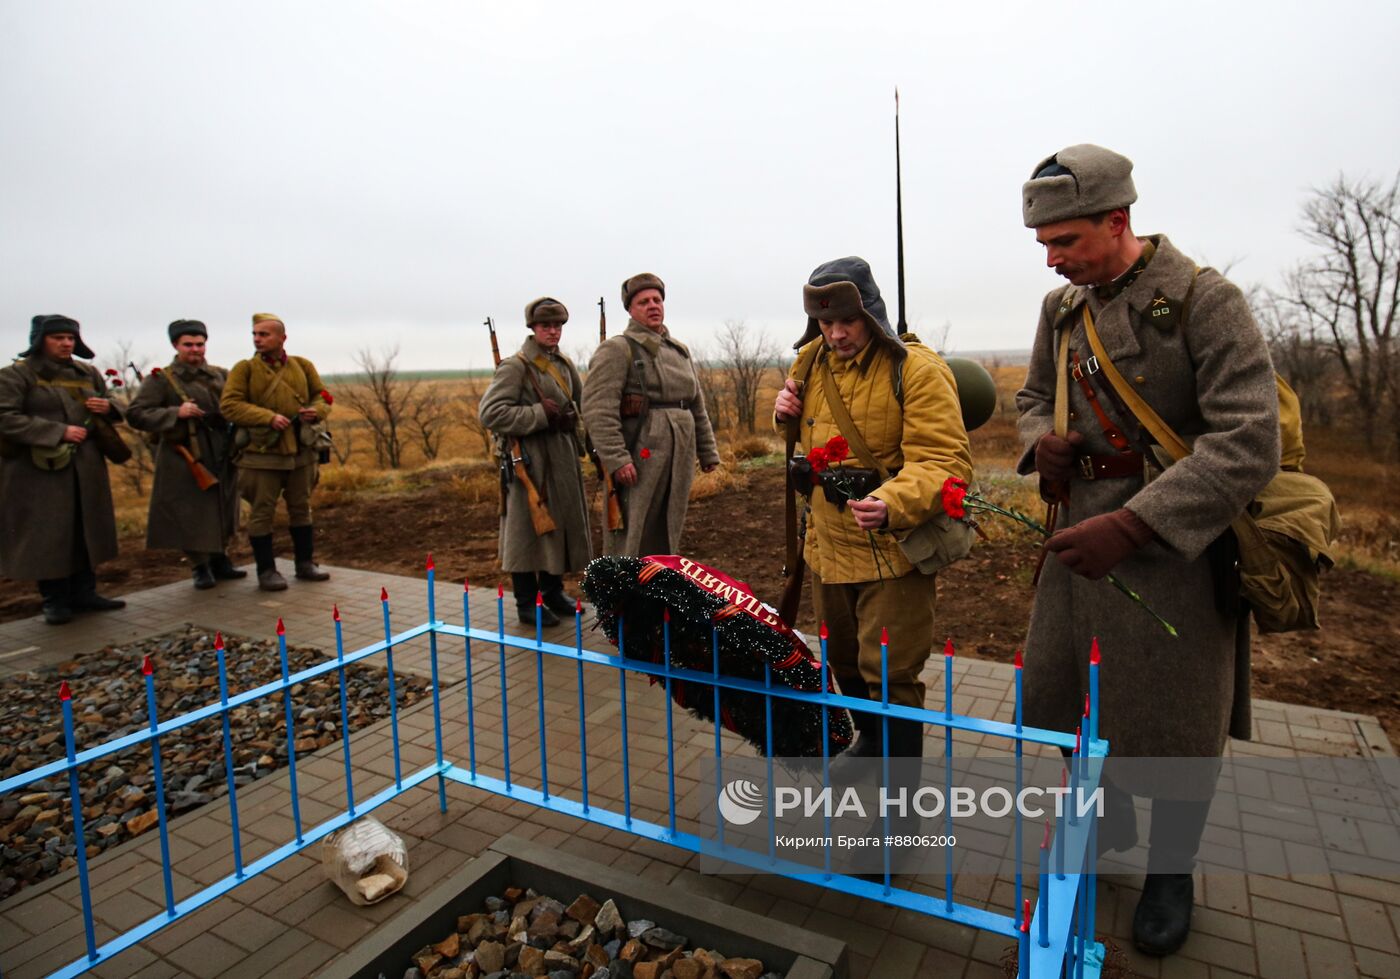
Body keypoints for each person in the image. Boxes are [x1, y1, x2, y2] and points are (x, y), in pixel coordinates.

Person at [1015, 144, 1280, 956]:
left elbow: (1249, 439)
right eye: (1045, 247)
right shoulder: (1063, 311)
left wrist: (1135, 524)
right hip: (1075, 544)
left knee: (1176, 719)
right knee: (1068, 697)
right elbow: (1031, 398)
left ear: (1118, 220)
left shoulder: (1205, 300)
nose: (1053, 261)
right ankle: (1107, 818)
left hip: (1175, 550)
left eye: (1065, 242)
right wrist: (1042, 444)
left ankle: (1173, 867)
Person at [773, 257, 972, 770]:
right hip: (827, 547)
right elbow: (804, 437)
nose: (835, 334)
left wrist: (892, 501)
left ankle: (901, 812)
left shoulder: (917, 370)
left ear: (872, 313)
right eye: (824, 323)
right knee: (846, 665)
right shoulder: (809, 362)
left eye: (847, 322)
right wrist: (784, 419)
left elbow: (944, 461)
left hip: (891, 551)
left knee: (890, 678)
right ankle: (869, 749)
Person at [581, 273, 720, 557]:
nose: (653, 305)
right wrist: (617, 458)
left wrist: (708, 452)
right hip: (641, 451)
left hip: (679, 450)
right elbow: (598, 408)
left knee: (669, 523)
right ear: (631, 310)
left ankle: (658, 590)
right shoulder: (618, 349)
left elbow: (696, 405)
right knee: (633, 529)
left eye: (657, 299)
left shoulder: (679, 351)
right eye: (643, 301)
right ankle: (624, 596)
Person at [0, 315, 126, 624]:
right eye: (58, 337)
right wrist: (57, 431)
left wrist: (108, 408)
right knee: (49, 533)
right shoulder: (17, 376)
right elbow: (5, 416)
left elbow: (113, 405)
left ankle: (86, 592)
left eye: (70, 338)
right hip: (39, 471)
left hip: (85, 467)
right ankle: (54, 600)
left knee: (86, 529)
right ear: (40, 340)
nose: (66, 343)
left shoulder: (87, 372)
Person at [478, 297, 592, 626]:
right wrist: (540, 414)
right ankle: (527, 603)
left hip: (562, 457)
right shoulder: (516, 367)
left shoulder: (564, 363)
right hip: (527, 462)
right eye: (546, 326)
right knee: (526, 532)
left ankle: (553, 592)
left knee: (557, 528)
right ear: (533, 328)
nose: (553, 331)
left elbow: (580, 404)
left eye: (557, 326)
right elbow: (490, 413)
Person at [126, 319, 245, 589]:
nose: (195, 350)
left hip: (222, 451)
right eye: (188, 344)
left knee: (223, 508)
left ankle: (220, 559)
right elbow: (136, 413)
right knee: (192, 513)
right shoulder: (161, 379)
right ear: (175, 345)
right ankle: (199, 566)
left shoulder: (221, 375)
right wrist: (175, 413)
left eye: (200, 344)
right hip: (185, 456)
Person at [220, 313, 332, 591]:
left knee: (301, 509)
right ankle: (266, 571)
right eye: (255, 334)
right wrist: (267, 417)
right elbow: (229, 405)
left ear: (282, 337)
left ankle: (305, 564)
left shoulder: (302, 366)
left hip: (301, 453)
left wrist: (315, 411)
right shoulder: (244, 369)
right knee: (262, 513)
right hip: (261, 455)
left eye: (264, 334)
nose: (258, 339)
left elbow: (323, 396)